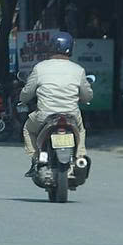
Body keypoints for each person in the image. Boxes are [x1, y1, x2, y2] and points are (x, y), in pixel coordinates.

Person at [20, 31, 92, 165]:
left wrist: (23, 100)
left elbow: (27, 92)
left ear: (51, 47)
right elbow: (87, 95)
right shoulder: (78, 70)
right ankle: (80, 156)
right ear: (70, 48)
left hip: (44, 115)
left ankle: (36, 158)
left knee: (28, 129)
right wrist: (85, 100)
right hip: (71, 115)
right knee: (81, 131)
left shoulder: (40, 68)